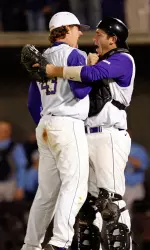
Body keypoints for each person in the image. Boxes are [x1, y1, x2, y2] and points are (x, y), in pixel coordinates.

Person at [32, 17, 136, 250]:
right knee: (87, 207)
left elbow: (89, 75)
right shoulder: (96, 59)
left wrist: (53, 69)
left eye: (99, 34)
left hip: (109, 135)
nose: (94, 38)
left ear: (113, 38)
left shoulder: (123, 59)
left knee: (110, 202)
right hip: (85, 135)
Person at [21, 12, 91, 250]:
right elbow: (80, 91)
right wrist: (92, 70)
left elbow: (32, 103)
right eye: (77, 28)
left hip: (46, 124)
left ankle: (31, 245)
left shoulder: (41, 58)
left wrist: (45, 126)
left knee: (46, 192)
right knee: (76, 184)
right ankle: (60, 241)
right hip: (67, 123)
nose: (80, 32)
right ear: (66, 29)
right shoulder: (75, 54)